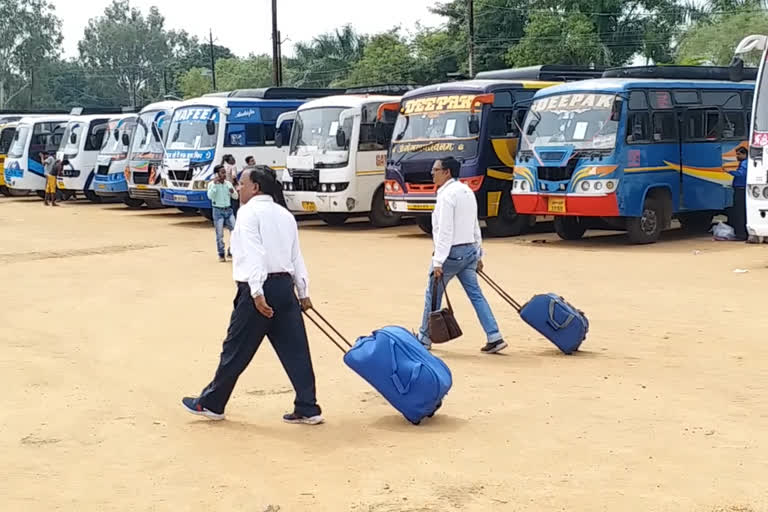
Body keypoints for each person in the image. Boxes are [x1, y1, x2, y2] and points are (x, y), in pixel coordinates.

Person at [182, 167, 323, 425]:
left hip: (258, 289)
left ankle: (212, 403)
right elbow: (296, 256)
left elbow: (255, 254)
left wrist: (257, 292)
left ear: (256, 187)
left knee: (235, 348)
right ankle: (308, 406)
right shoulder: (285, 215)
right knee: (296, 350)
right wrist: (303, 292)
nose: (239, 188)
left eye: (242, 183)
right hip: (285, 287)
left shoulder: (248, 213)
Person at [417, 156, 507, 354]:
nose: (432, 173)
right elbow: (475, 224)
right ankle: (494, 335)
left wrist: (438, 261)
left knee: (432, 294)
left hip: (451, 253)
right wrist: (479, 252)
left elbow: (444, 230)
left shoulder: (446, 195)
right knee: (476, 295)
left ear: (447, 172)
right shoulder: (467, 191)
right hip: (469, 251)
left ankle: (423, 338)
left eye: (436, 169)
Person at [207, 165, 238, 262]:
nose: (224, 175)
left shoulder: (228, 184)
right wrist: (215, 186)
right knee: (219, 234)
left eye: (225, 172)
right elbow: (210, 196)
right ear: (217, 174)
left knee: (235, 231)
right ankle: (221, 253)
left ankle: (231, 250)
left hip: (228, 210)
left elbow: (236, 197)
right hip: (218, 211)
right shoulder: (212, 184)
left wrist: (233, 192)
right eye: (222, 172)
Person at [728, 146, 748, 241]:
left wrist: (730, 171)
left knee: (739, 212)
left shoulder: (744, 163)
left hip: (741, 190)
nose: (737, 156)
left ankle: (741, 235)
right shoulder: (744, 162)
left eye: (739, 154)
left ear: (744, 154)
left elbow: (741, 174)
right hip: (742, 189)